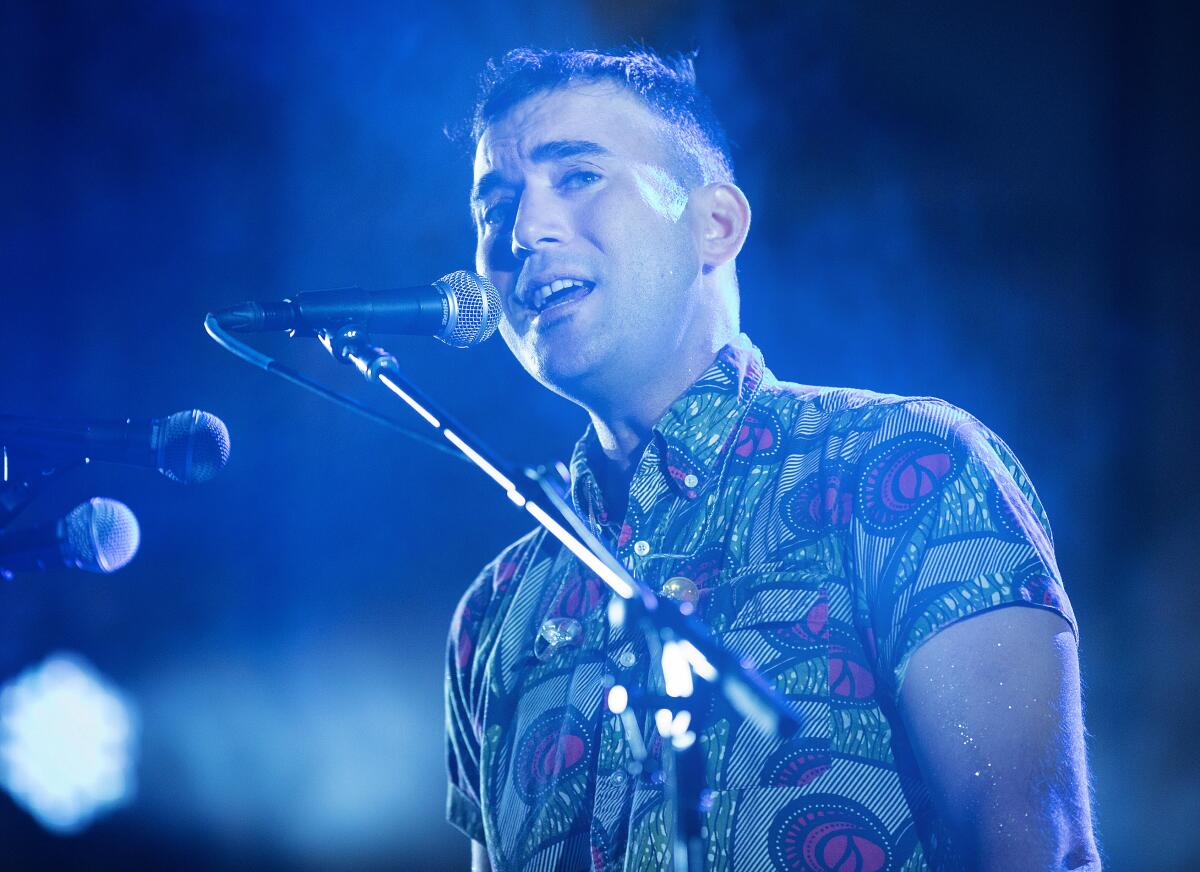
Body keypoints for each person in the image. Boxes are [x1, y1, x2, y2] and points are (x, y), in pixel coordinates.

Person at [445, 47, 1099, 871]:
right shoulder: (496, 612)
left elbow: (1035, 848)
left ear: (714, 224)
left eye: (576, 176)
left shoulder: (904, 467)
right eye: (494, 206)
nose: (521, 232)